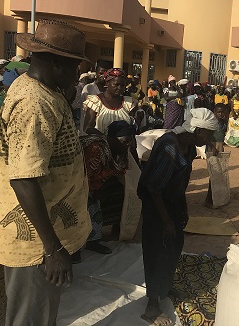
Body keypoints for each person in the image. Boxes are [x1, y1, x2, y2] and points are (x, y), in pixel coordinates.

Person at [0, 19, 91, 325]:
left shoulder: (46, 92)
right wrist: (52, 249)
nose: (77, 74)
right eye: (73, 66)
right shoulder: (34, 103)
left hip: (45, 233)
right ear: (54, 62)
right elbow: (24, 179)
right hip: (35, 243)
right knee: (31, 317)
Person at [137, 108, 218, 326]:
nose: (210, 138)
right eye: (209, 134)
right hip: (157, 205)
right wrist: (166, 221)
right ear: (198, 130)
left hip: (172, 201)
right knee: (157, 249)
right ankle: (152, 305)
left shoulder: (189, 146)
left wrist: (181, 209)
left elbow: (181, 181)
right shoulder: (169, 147)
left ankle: (165, 286)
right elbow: (154, 189)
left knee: (174, 244)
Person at [80, 120, 136, 255]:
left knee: (97, 209)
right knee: (83, 212)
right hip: (80, 183)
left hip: (98, 183)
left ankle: (94, 241)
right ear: (111, 139)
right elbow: (86, 175)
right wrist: (96, 190)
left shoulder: (120, 149)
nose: (127, 145)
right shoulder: (95, 149)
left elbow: (122, 169)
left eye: (130, 141)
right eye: (124, 141)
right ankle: (76, 247)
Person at [82, 68, 135, 134]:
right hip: (102, 142)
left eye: (122, 86)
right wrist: (105, 138)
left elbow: (133, 126)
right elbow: (87, 127)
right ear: (107, 83)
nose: (119, 88)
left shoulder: (128, 103)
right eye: (116, 85)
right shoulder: (96, 102)